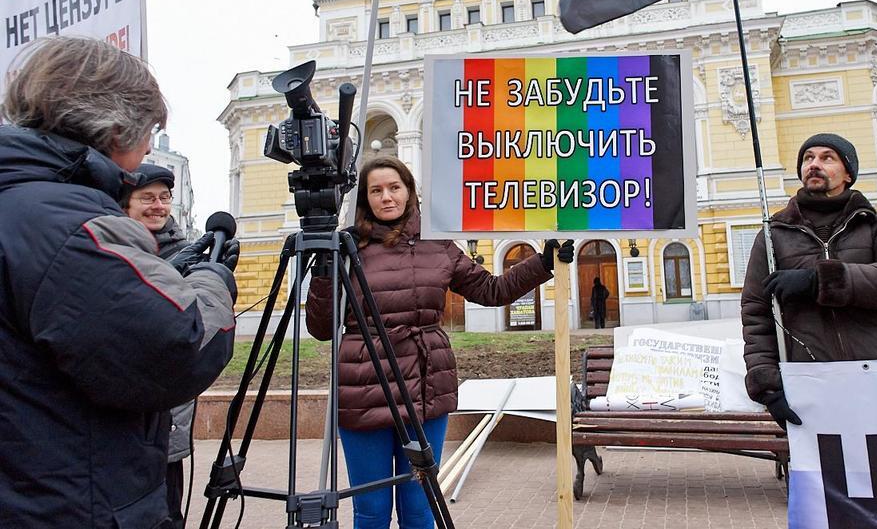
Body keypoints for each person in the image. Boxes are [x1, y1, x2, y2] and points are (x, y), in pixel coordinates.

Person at [0, 37, 238, 529]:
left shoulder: (23, 204)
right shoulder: (69, 226)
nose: (151, 144)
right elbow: (178, 347)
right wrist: (213, 280)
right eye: (149, 129)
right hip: (70, 503)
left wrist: (167, 276)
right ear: (115, 128)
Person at [305, 156, 574, 529]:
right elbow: (321, 327)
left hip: (425, 387)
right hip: (364, 387)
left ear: (410, 192)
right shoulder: (348, 246)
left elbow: (490, 290)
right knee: (371, 509)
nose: (387, 197)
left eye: (394, 188)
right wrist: (322, 269)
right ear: (365, 199)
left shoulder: (437, 244)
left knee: (419, 507)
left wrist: (541, 263)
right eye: (377, 191)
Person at [741, 133, 877, 429]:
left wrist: (820, 280)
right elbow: (756, 313)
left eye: (827, 158)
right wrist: (768, 385)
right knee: (827, 474)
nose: (814, 164)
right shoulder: (774, 234)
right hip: (811, 382)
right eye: (808, 158)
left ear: (848, 173)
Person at [122, 163, 240, 529]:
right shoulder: (108, 247)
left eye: (164, 197)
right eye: (147, 198)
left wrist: (215, 280)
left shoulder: (189, 251)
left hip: (171, 415)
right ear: (125, 202)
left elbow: (198, 333)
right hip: (123, 414)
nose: (158, 205)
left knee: (168, 511)